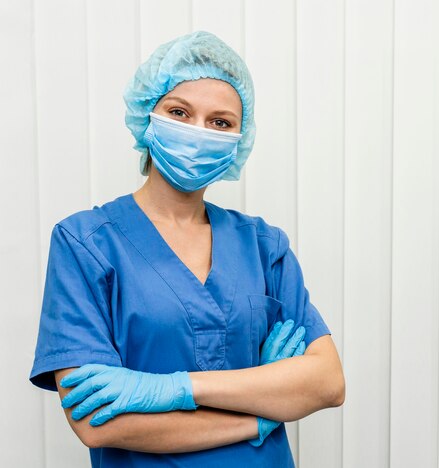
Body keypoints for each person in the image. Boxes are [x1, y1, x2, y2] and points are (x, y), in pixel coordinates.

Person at [29, 30, 345, 467]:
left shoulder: (263, 245)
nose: (199, 133)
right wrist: (260, 417)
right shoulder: (85, 244)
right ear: (147, 117)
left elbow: (327, 382)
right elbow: (97, 420)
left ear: (239, 137)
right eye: (179, 112)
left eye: (220, 122)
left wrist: (175, 388)